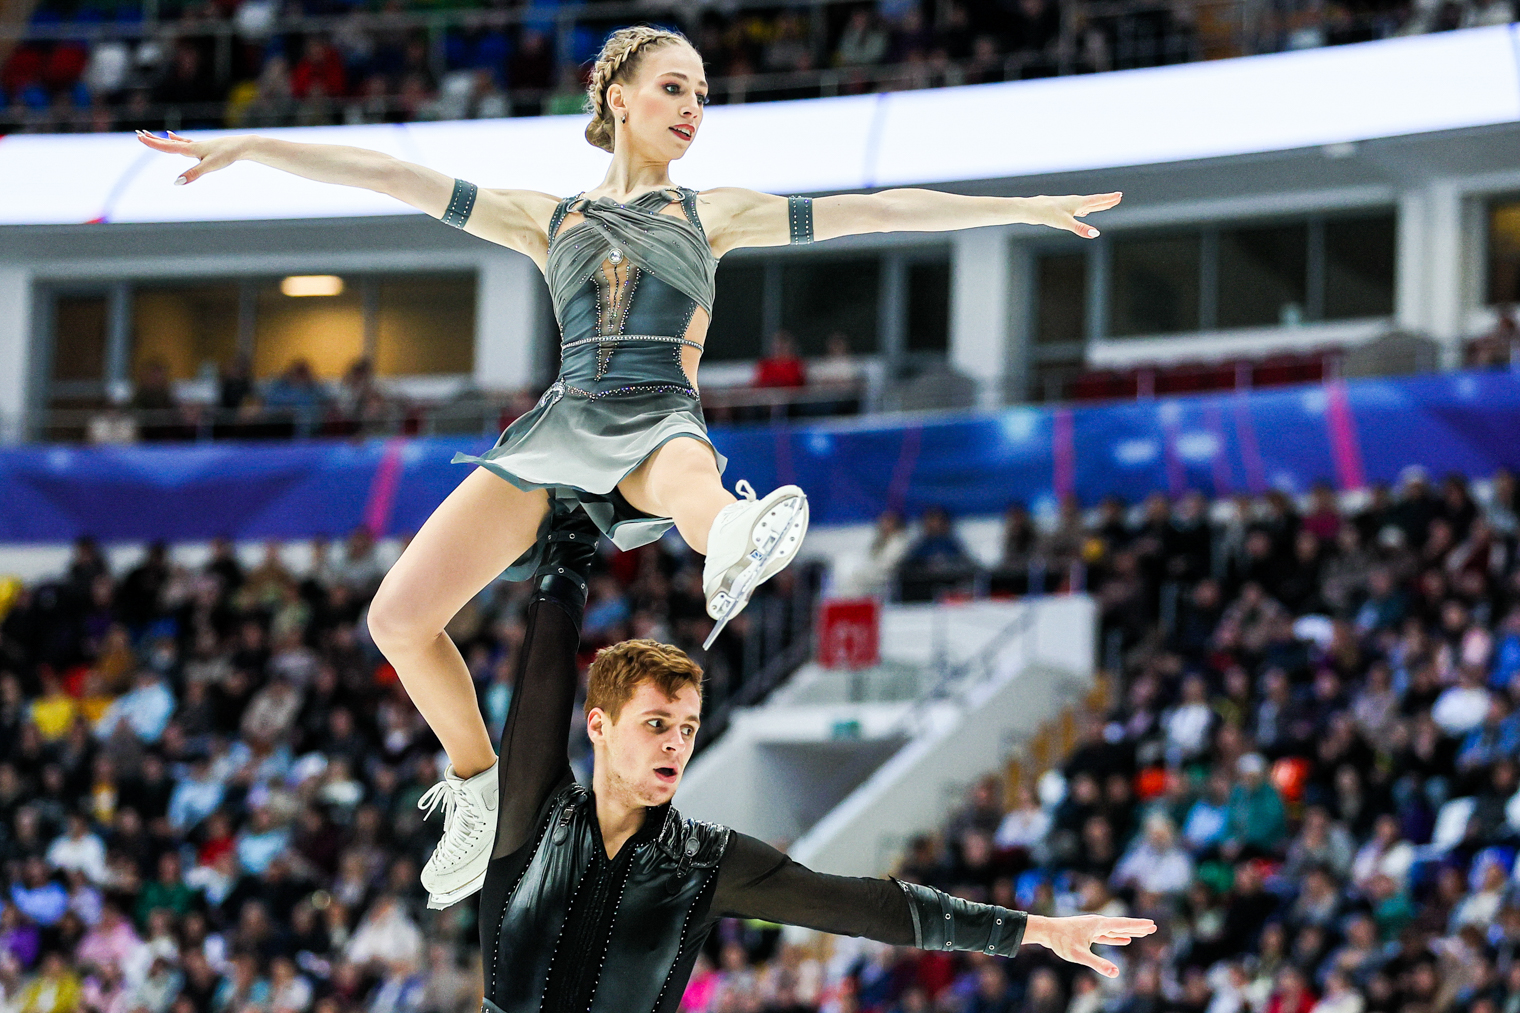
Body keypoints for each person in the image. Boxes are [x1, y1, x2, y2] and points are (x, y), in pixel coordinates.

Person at [136, 23, 1120, 909]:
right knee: (395, 614)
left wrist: (1019, 206)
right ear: (619, 97)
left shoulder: (715, 211)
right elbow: (390, 175)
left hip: (658, 414)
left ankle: (734, 539)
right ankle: (476, 785)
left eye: (701, 95)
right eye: (675, 89)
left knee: (687, 477)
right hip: (559, 426)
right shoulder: (542, 215)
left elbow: (878, 211)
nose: (694, 110)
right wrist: (252, 145)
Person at [474, 501, 1155, 1011]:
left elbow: (863, 907)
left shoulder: (706, 862)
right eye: (657, 723)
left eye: (688, 726)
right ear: (598, 725)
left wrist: (1031, 928)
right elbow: (544, 663)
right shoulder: (535, 810)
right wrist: (572, 525)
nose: (676, 743)